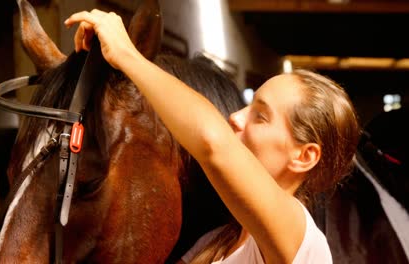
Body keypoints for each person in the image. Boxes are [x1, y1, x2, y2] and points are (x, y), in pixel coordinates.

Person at [64, 9, 361, 264]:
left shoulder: (301, 239)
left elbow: (213, 144)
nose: (236, 117)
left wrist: (127, 55)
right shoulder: (218, 240)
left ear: (304, 155)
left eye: (260, 116)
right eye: (248, 105)